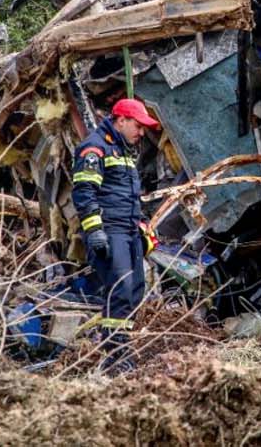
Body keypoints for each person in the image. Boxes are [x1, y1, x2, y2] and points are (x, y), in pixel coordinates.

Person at [71, 97, 159, 371]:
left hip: (129, 230)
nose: (141, 132)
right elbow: (84, 192)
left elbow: (127, 195)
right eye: (138, 126)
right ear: (121, 120)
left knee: (135, 289)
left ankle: (121, 350)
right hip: (110, 231)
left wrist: (142, 225)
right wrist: (95, 230)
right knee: (120, 289)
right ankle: (116, 357)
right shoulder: (94, 148)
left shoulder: (123, 151)